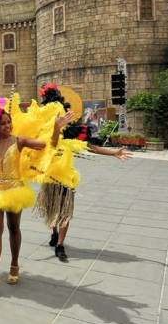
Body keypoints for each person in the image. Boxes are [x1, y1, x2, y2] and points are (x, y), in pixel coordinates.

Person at [0, 110, 73, 296]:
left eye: (9, 122)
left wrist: (56, 128)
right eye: (3, 123)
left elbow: (47, 146)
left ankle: (14, 264)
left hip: (15, 191)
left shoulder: (18, 140)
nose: (8, 126)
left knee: (14, 228)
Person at [34, 84, 133, 260]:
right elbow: (52, 145)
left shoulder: (72, 132)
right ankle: (55, 233)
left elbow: (91, 147)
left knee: (64, 211)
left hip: (65, 178)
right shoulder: (43, 131)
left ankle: (60, 245)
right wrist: (56, 127)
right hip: (49, 176)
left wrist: (114, 153)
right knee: (51, 210)